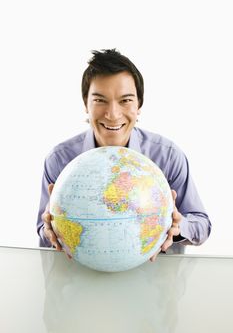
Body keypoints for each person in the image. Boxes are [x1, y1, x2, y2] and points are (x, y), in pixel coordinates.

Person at [37, 48, 211, 261]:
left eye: (125, 100)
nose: (112, 114)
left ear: (139, 105)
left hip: (154, 282)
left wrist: (177, 225)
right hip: (84, 280)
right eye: (100, 100)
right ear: (86, 104)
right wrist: (49, 230)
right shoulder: (59, 161)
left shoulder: (168, 156)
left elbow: (202, 225)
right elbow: (42, 232)